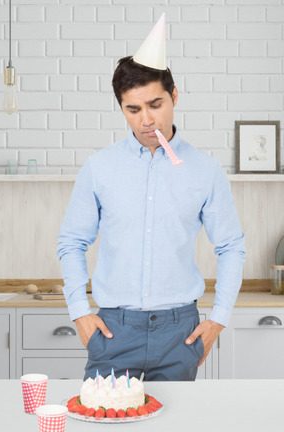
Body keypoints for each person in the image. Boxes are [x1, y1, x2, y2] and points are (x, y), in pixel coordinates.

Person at [57, 15, 245, 382]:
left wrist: (219, 318)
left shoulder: (205, 170)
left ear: (173, 96)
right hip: (113, 330)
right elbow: (71, 242)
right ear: (122, 109)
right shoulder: (99, 167)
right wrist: (79, 310)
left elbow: (232, 246)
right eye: (133, 109)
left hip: (180, 332)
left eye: (155, 104)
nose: (146, 120)